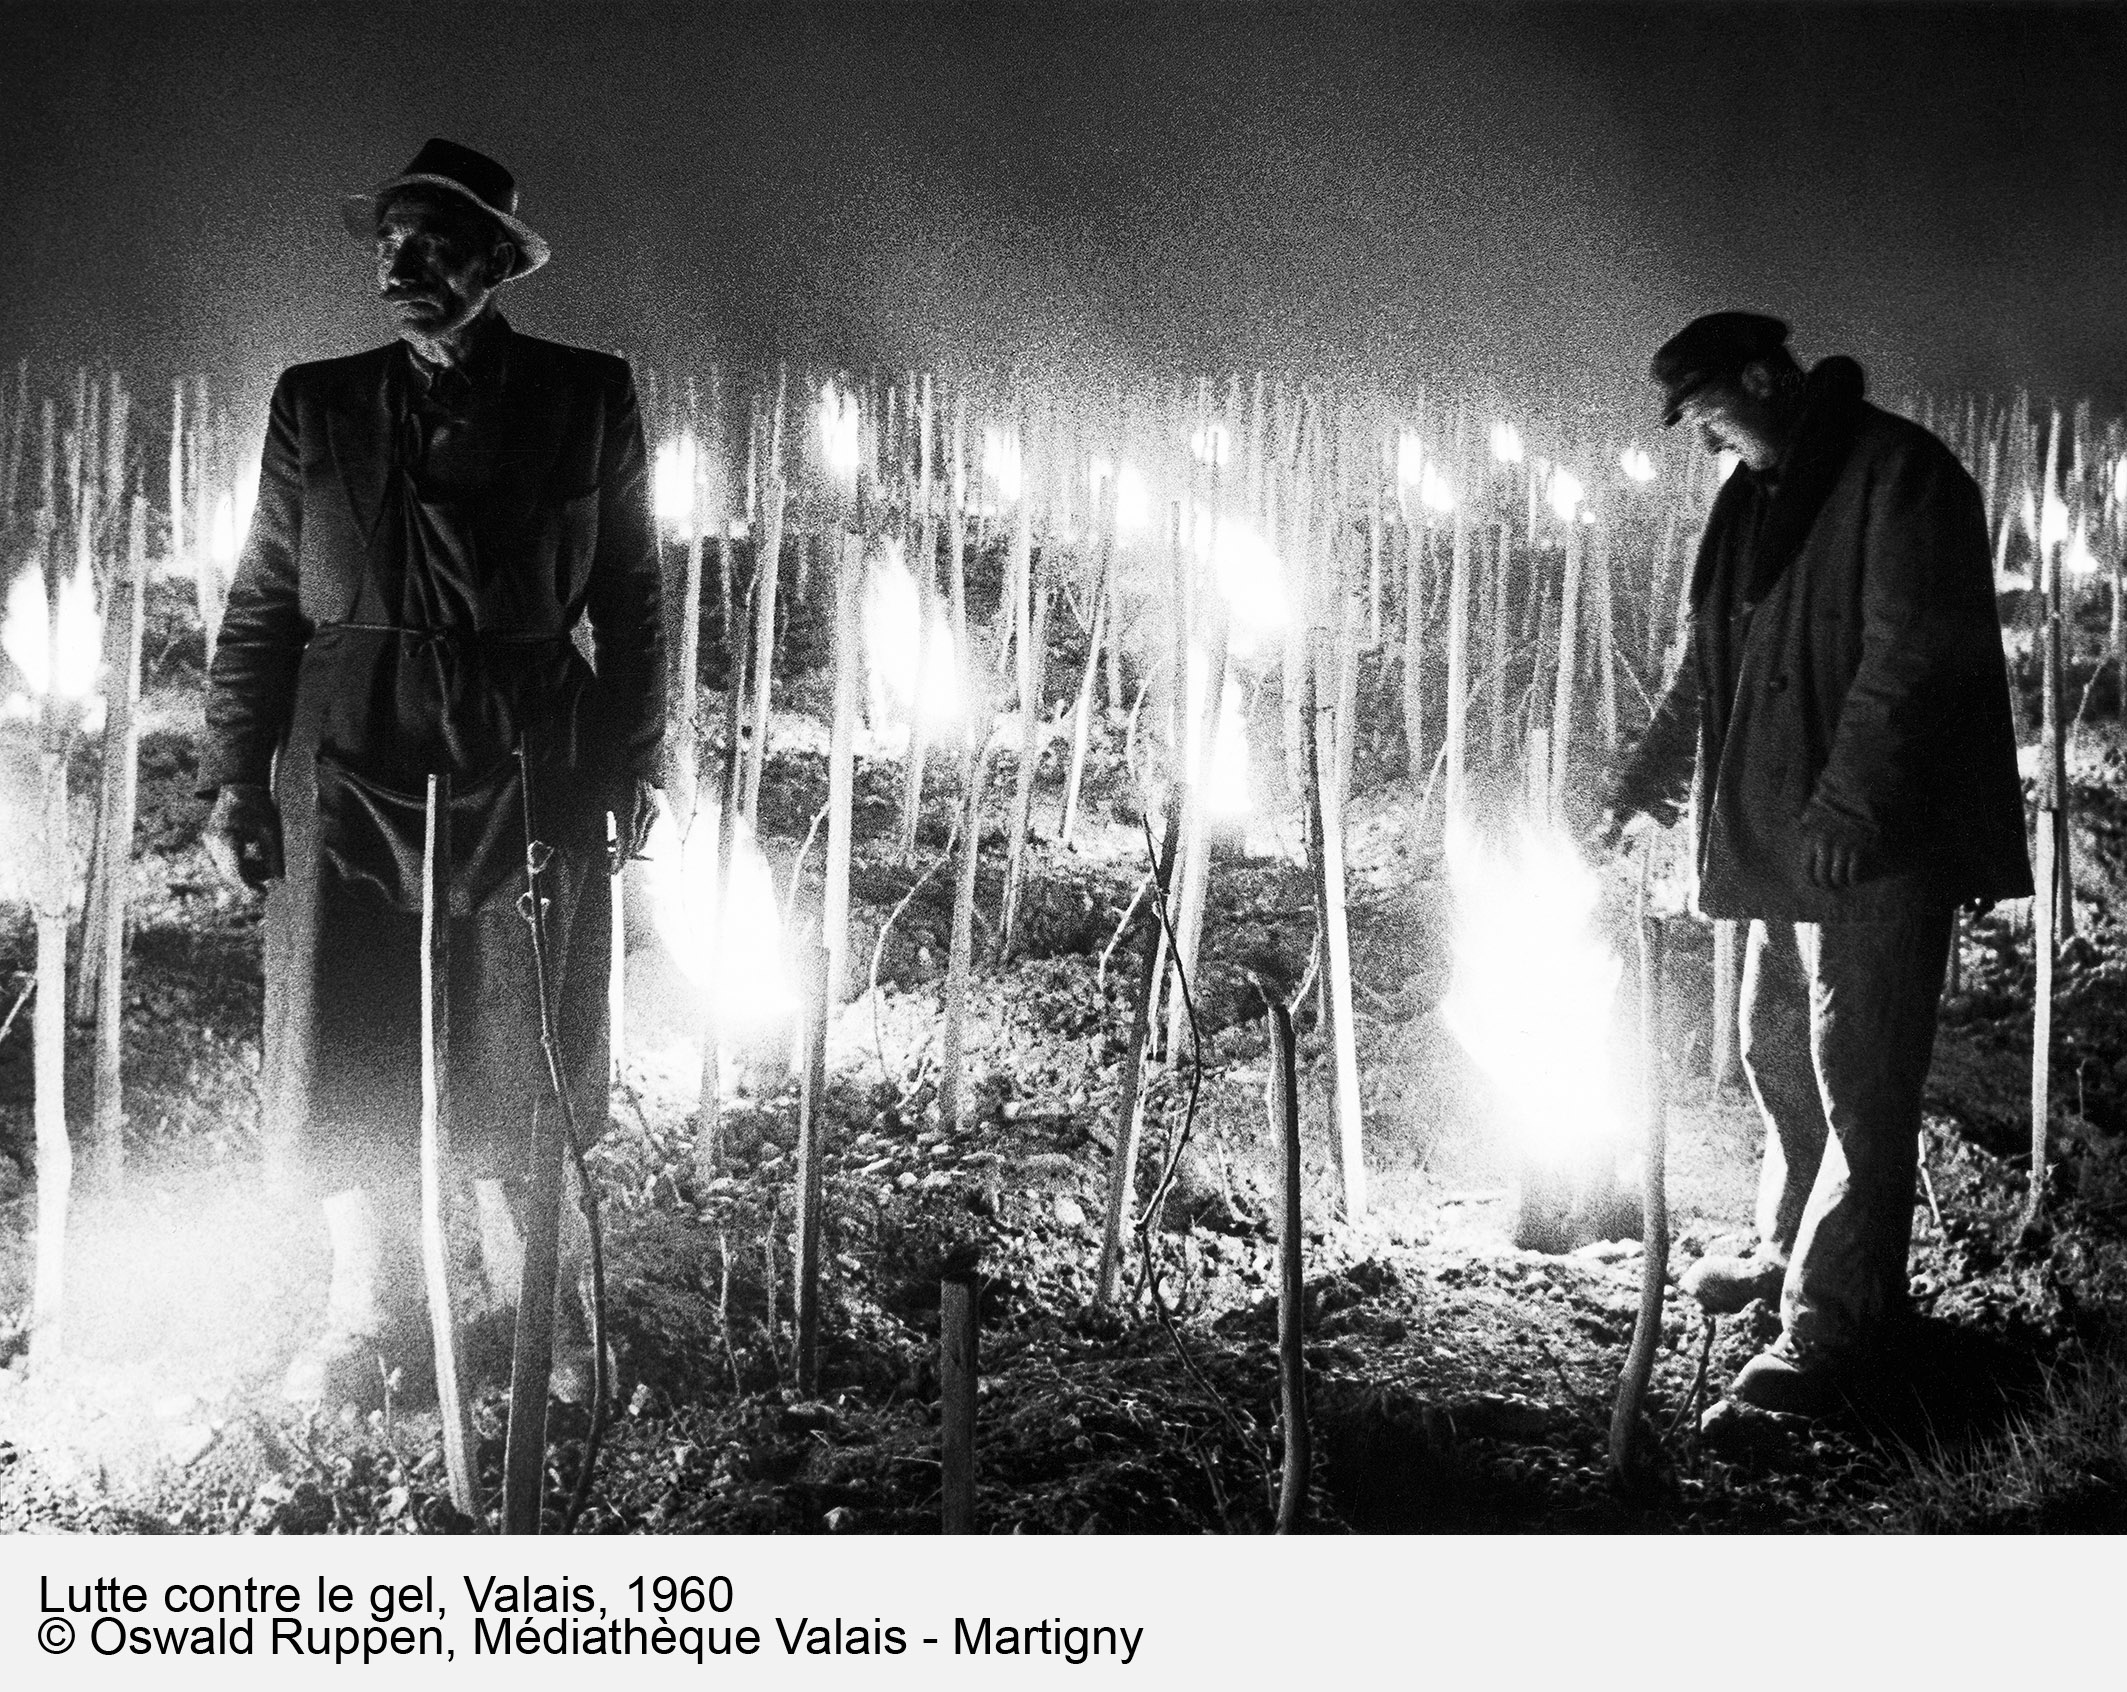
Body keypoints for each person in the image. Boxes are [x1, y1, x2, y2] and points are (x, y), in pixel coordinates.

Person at [201, 139, 663, 1408]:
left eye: (438, 242)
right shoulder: (320, 402)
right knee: (345, 1020)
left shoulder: (588, 395)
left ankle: (534, 1311)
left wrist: (638, 759)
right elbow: (262, 600)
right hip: (349, 747)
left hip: (528, 745)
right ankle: (366, 1309)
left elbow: (629, 592)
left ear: (499, 265)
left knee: (523, 1026)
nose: (404, 264)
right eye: (392, 242)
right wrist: (238, 770)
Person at [1600, 312, 2030, 1414]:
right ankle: (1790, 1244)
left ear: (1762, 377)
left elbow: (1912, 658)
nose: (1702, 440)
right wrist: (1643, 783)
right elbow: (1712, 664)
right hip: (1790, 839)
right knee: (1774, 1046)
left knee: (1862, 1079)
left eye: (1708, 413)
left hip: (1879, 848)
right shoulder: (1751, 497)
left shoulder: (1901, 476)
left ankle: (1836, 1328)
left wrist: (1851, 802)